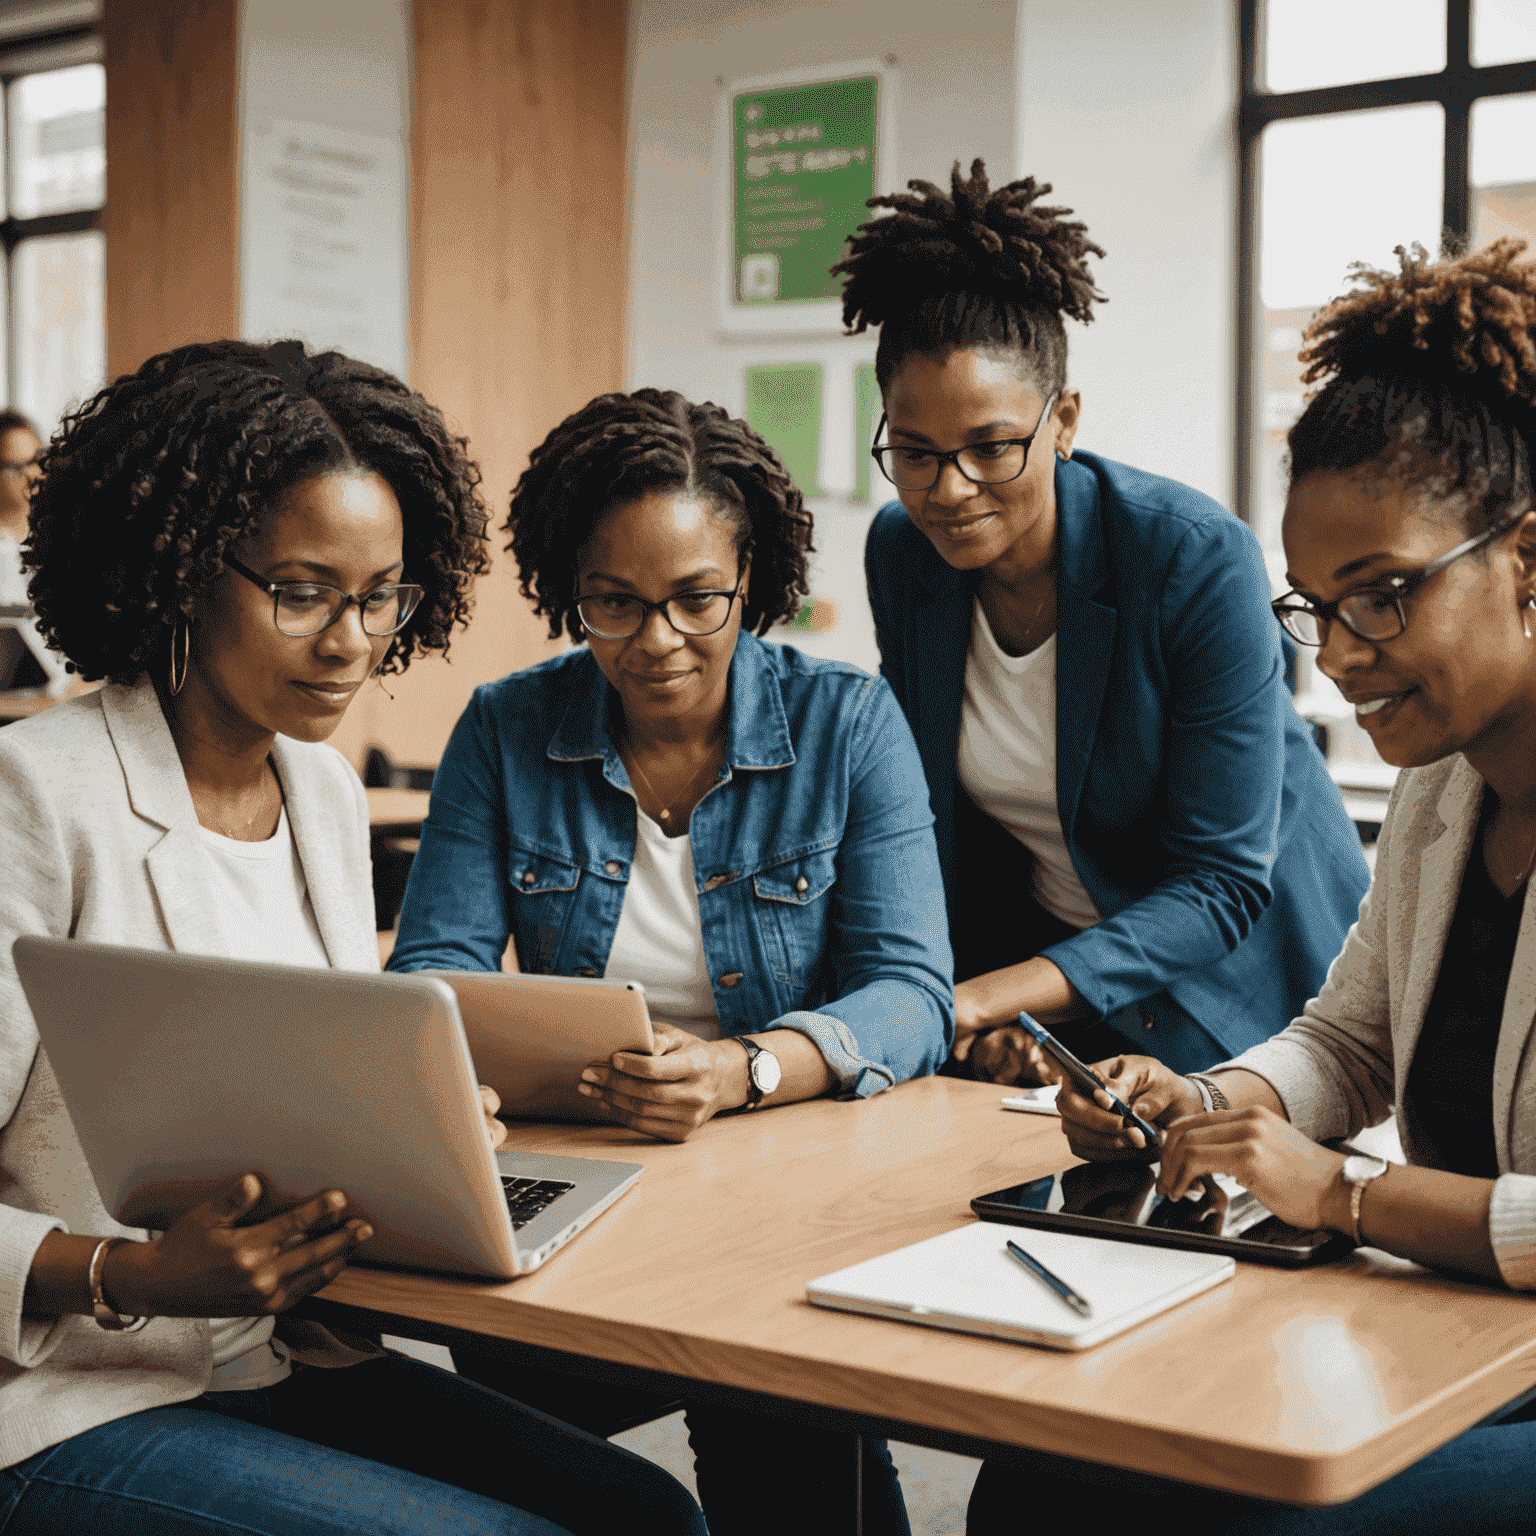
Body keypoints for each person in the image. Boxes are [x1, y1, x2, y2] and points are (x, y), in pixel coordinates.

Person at [0, 339, 707, 1536]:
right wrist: (134, 1274)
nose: (349, 642)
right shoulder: (36, 796)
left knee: (647, 1516)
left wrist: (411, 1141)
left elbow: (284, 1098)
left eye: (381, 596)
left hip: (276, 1355)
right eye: (301, 590)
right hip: (69, 1390)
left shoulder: (320, 794)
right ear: (177, 569)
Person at [971, 239, 1536, 1534]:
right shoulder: (1449, 789)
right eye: (1318, 608)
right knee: (1041, 1479)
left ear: (1529, 560)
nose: (1339, 656)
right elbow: (1351, 1038)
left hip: (1502, 1359)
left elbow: (1354, 1173)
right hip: (1468, 1338)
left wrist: (1340, 1189)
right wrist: (1217, 1098)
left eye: (1383, 597)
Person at [389, 386, 954, 1536]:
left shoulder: (849, 725)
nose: (657, 642)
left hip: (787, 1184)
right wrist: (508, 1085)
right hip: (579, 1177)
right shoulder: (505, 728)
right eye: (615, 603)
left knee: (773, 1418)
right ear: (567, 589)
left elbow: (913, 995)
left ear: (756, 582)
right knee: (529, 1453)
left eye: (700, 600)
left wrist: (742, 1070)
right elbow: (431, 978)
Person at [842, 160, 1370, 1083]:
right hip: (1043, 989)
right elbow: (929, 817)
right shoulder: (903, 553)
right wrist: (929, 984)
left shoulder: (1191, 558)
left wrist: (973, 999)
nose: (948, 490)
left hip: (1238, 989)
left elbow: (1220, 883)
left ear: (1064, 421)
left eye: (991, 447)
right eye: (914, 453)